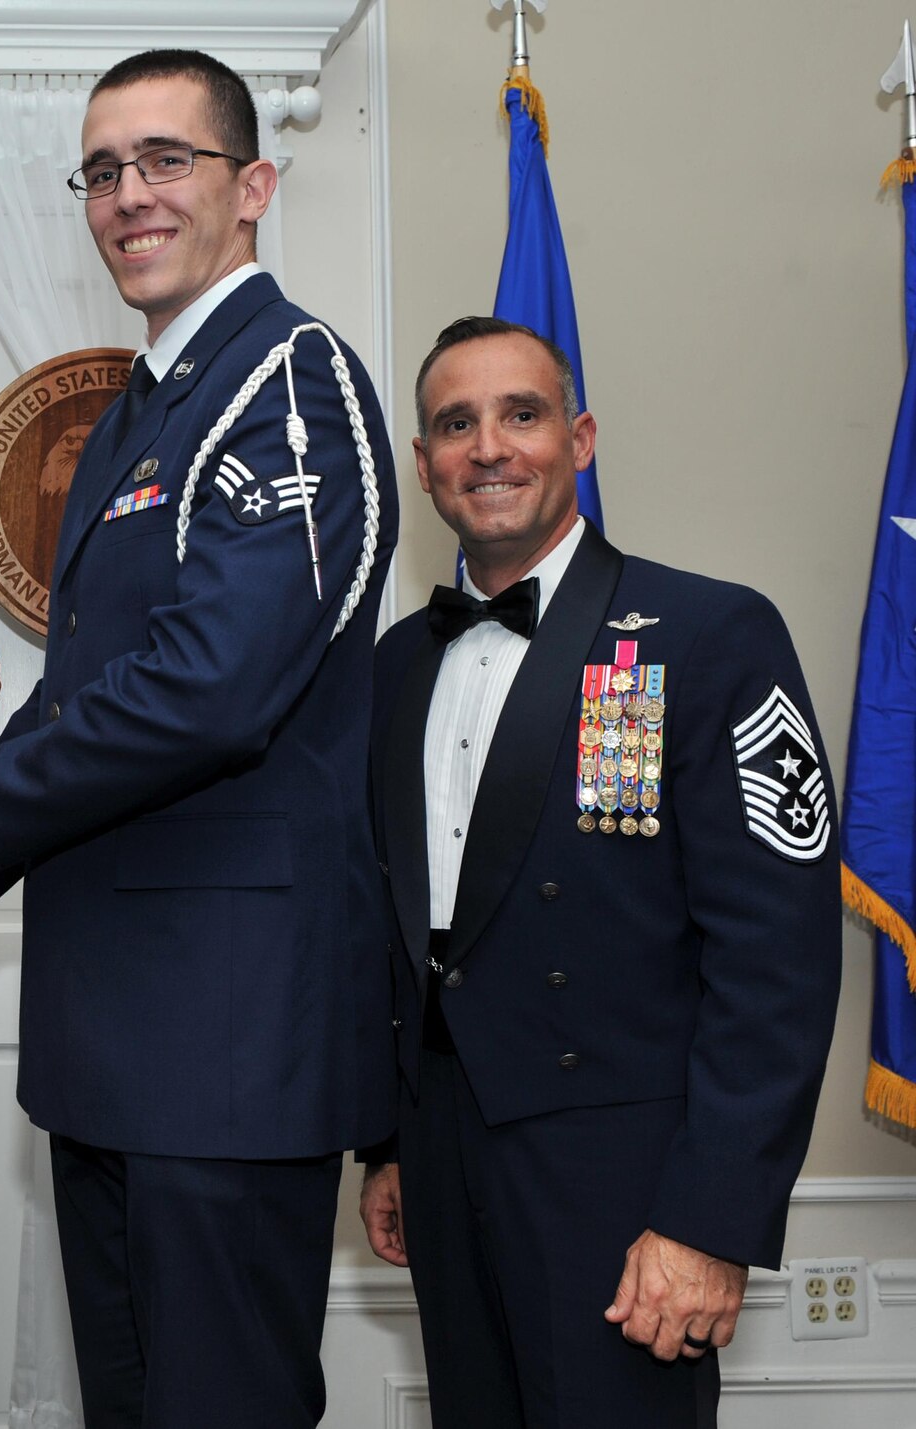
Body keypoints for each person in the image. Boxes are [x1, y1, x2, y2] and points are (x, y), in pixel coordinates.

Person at [0, 49, 399, 1427]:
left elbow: (208, 690)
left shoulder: (288, 376)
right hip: (117, 1043)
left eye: (165, 159)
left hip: (226, 1040)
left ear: (252, 185)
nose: (128, 194)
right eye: (102, 169)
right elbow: (93, 694)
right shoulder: (148, 406)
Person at [357, 316, 841, 1426]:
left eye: (518, 415)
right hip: (439, 1157)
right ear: (424, 466)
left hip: (626, 1183)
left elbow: (777, 958)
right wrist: (382, 1144)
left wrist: (709, 1218)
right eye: (452, 424)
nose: (487, 447)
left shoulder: (709, 633)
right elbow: (392, 929)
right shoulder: (392, 666)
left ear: (577, 440)